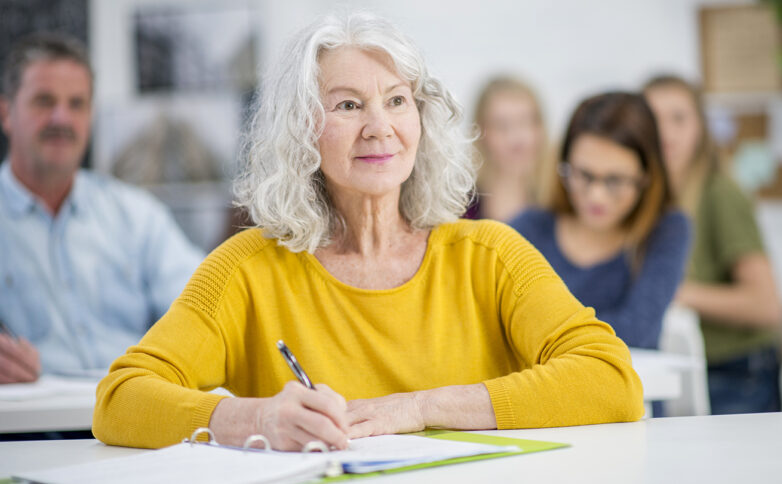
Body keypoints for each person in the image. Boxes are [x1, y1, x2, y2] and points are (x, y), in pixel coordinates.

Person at [93, 13, 644, 451]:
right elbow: (119, 401)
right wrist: (252, 416)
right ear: (302, 129)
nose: (380, 127)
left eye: (397, 101)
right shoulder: (245, 268)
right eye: (349, 105)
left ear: (420, 121)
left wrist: (419, 408)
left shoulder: (490, 254)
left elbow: (611, 380)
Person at [0, 34, 203, 383]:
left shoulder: (138, 217)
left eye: (76, 103)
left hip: (135, 420)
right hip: (24, 432)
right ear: (6, 113)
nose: (61, 118)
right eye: (44, 101)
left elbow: (205, 309)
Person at [643, 75, 782, 414]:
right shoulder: (647, 198)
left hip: (735, 372)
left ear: (700, 128)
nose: (665, 131)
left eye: (678, 118)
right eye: (652, 118)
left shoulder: (720, 193)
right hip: (676, 365)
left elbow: (767, 305)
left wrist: (673, 291)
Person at [511, 92, 690, 350]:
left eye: (615, 180)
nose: (596, 196)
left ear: (646, 178)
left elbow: (636, 333)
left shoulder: (666, 230)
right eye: (584, 175)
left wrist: (537, 331)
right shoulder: (529, 228)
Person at [465, 77, 550, 221]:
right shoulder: (461, 208)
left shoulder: (560, 204)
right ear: (480, 133)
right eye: (502, 126)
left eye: (526, 122)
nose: (516, 139)